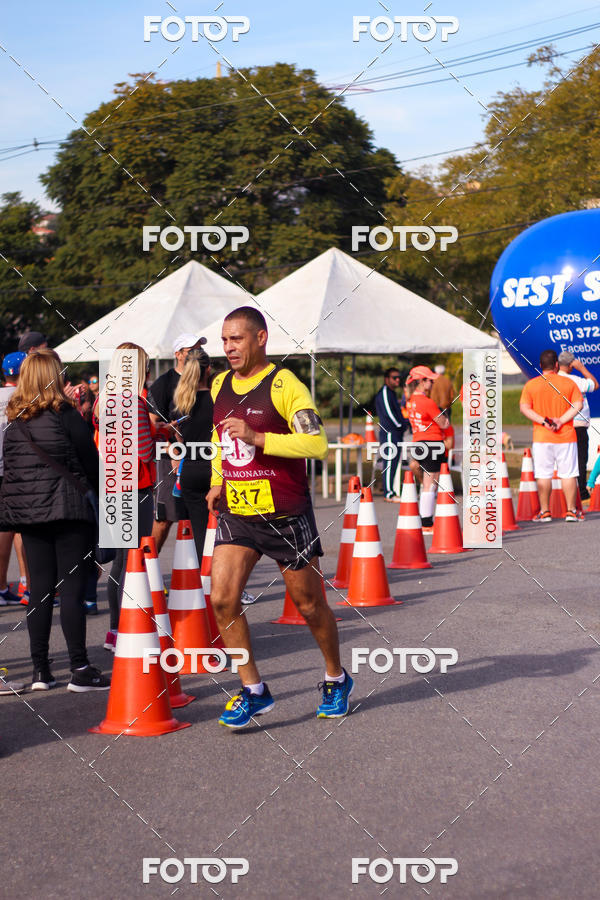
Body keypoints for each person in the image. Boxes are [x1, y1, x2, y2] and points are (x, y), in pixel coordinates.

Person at [207, 306, 353, 728]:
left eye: (236, 339)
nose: (229, 347)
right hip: (238, 510)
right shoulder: (219, 383)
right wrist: (219, 479)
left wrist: (259, 437)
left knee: (308, 605)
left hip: (285, 512)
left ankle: (335, 677)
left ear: (260, 338)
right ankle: (253, 690)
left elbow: (317, 445)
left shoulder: (285, 384)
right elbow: (221, 442)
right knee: (222, 598)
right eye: (224, 340)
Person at [0, 349, 110, 691]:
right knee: (72, 591)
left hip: (31, 519)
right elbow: (92, 465)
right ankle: (79, 666)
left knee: (40, 591)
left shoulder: (14, 422)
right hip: (68, 512)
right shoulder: (66, 415)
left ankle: (40, 671)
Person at [103, 342, 157, 651]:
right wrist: (154, 430)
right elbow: (144, 451)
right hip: (136, 487)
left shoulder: (105, 400)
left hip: (112, 485)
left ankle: (115, 629)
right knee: (133, 562)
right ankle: (128, 626)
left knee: (120, 563)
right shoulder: (133, 402)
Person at [147, 333, 206, 552]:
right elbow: (153, 423)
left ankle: (206, 579)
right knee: (165, 517)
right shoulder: (164, 383)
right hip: (171, 459)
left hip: (203, 456)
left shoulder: (206, 379)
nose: (197, 353)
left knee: (205, 515)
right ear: (178, 354)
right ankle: (148, 569)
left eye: (200, 349)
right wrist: (173, 447)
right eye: (192, 349)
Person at [520, 349, 583, 522]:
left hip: (542, 436)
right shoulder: (568, 383)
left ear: (541, 366)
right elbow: (577, 404)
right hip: (566, 435)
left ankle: (545, 511)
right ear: (556, 365)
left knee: (543, 474)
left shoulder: (531, 385)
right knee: (568, 474)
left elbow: (525, 408)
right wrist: (561, 421)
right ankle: (571, 511)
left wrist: (544, 421)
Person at [0, 352, 28, 606]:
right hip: (16, 470)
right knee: (22, 527)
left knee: (3, 529)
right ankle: (27, 582)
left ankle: (1, 587)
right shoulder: (25, 399)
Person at [406, 365, 448, 527]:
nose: (432, 383)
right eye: (429, 380)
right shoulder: (427, 402)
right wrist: (445, 418)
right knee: (431, 483)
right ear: (422, 382)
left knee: (427, 482)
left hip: (418, 442)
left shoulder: (411, 401)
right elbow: (443, 424)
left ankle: (426, 518)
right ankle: (426, 520)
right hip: (432, 443)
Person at [557, 351, 598, 500]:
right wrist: (581, 368)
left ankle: (565, 493)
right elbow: (595, 384)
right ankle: (581, 492)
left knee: (566, 460)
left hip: (561, 425)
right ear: (570, 365)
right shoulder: (574, 380)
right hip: (578, 424)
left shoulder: (555, 380)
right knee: (580, 459)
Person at [375, 367, 406, 501]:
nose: (397, 380)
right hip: (389, 433)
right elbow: (388, 414)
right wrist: (401, 424)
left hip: (396, 433)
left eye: (399, 377)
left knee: (394, 463)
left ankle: (391, 491)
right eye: (394, 377)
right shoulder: (385, 393)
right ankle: (388, 493)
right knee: (389, 462)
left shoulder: (392, 393)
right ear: (387, 379)